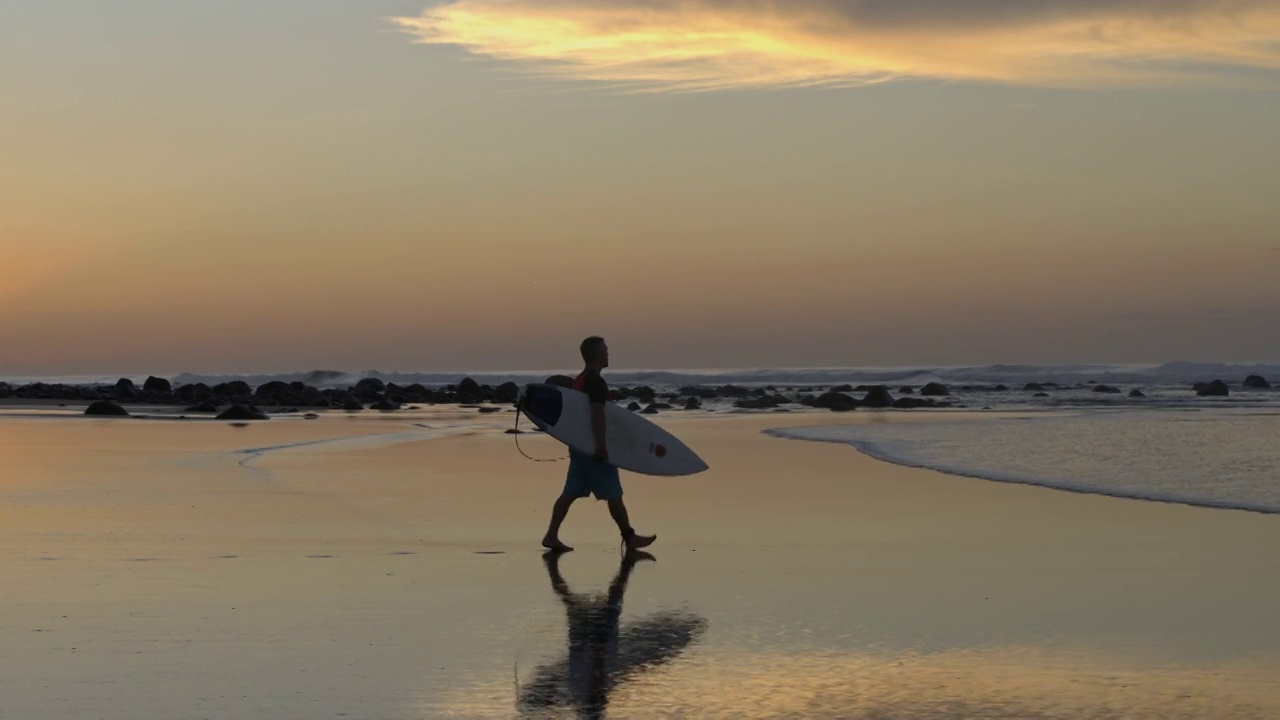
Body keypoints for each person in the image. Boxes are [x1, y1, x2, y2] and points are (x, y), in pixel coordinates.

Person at [542, 336, 656, 552]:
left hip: (579, 445)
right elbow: (596, 415)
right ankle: (630, 537)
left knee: (570, 492)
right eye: (605, 350)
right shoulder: (595, 381)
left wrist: (607, 396)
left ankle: (551, 536)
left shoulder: (582, 379)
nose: (608, 354)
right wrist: (601, 445)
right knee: (613, 493)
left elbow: (583, 408)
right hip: (593, 447)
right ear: (596, 354)